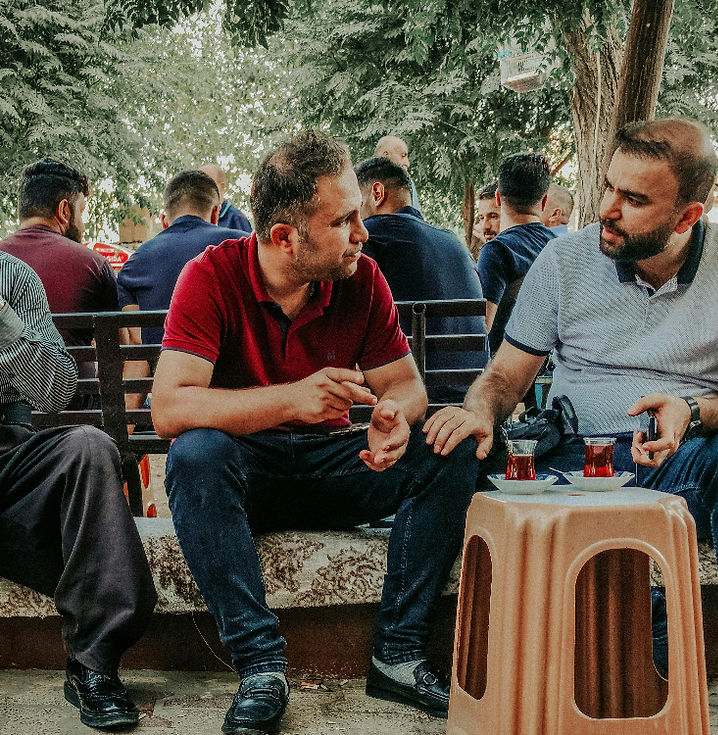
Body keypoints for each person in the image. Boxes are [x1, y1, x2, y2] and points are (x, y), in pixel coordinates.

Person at [425, 118, 718, 735]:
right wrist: (478, 410)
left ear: (686, 216)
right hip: (574, 459)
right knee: (446, 444)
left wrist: (695, 410)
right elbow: (505, 378)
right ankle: (414, 655)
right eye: (607, 187)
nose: (607, 209)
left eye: (634, 200)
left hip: (679, 455)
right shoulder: (565, 257)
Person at [152, 130, 479, 733]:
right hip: (249, 475)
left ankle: (398, 655)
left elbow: (407, 388)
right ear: (285, 237)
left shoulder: (362, 278)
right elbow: (168, 408)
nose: (364, 233)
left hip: (337, 465)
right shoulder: (210, 275)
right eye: (346, 221)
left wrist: (393, 420)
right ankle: (262, 667)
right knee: (195, 455)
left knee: (448, 444)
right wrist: (291, 401)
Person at [0, 251, 156, 730]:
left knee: (88, 446)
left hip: (8, 459)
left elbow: (56, 390)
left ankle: (94, 665)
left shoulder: (12, 276)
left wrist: (4, 320)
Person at [356, 156, 488, 403]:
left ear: (377, 193)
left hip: (403, 398)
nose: (354, 220)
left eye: (355, 203)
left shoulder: (365, 241)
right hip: (466, 397)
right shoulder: (455, 243)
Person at [0, 158, 123, 407]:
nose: (83, 224)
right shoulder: (93, 263)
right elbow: (121, 348)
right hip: (76, 412)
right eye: (82, 212)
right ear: (64, 211)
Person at [116, 170, 248, 346]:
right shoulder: (244, 246)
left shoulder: (134, 264)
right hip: (233, 370)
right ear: (216, 213)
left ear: (164, 222)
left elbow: (138, 342)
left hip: (164, 369)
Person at [476, 152, 555, 350]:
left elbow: (480, 328)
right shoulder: (559, 248)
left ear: (498, 198)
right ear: (544, 201)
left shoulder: (497, 251)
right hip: (546, 364)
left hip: (503, 366)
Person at [200, 163, 253, 232]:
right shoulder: (197, 217)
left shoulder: (236, 218)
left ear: (221, 187)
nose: (202, 189)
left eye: (208, 184)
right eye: (199, 185)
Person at [374, 135, 420, 209]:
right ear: (386, 155)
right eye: (403, 156)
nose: (407, 164)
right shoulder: (363, 181)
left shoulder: (408, 183)